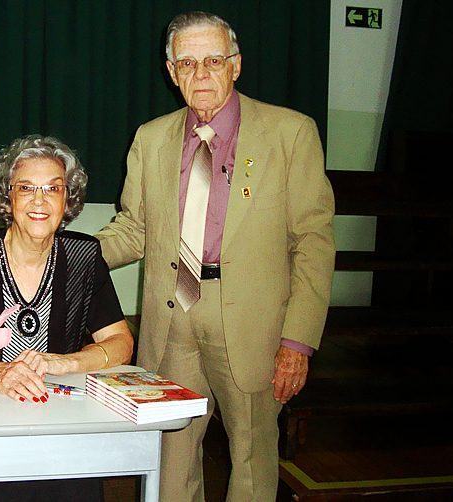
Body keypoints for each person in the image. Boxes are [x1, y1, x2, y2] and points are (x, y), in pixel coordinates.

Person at [96, 11, 335, 502]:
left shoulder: (290, 134)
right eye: (186, 63)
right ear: (171, 71)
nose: (200, 74)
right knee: (172, 460)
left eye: (212, 60)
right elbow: (134, 229)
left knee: (252, 457)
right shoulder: (151, 137)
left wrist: (298, 341)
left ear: (236, 65)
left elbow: (313, 242)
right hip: (172, 318)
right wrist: (64, 258)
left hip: (253, 323)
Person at [0, 134, 134, 502]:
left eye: (53, 189)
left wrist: (63, 362)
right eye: (26, 187)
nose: (39, 201)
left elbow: (121, 343)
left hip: (53, 423)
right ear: (7, 196)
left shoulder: (84, 257)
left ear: (68, 199)